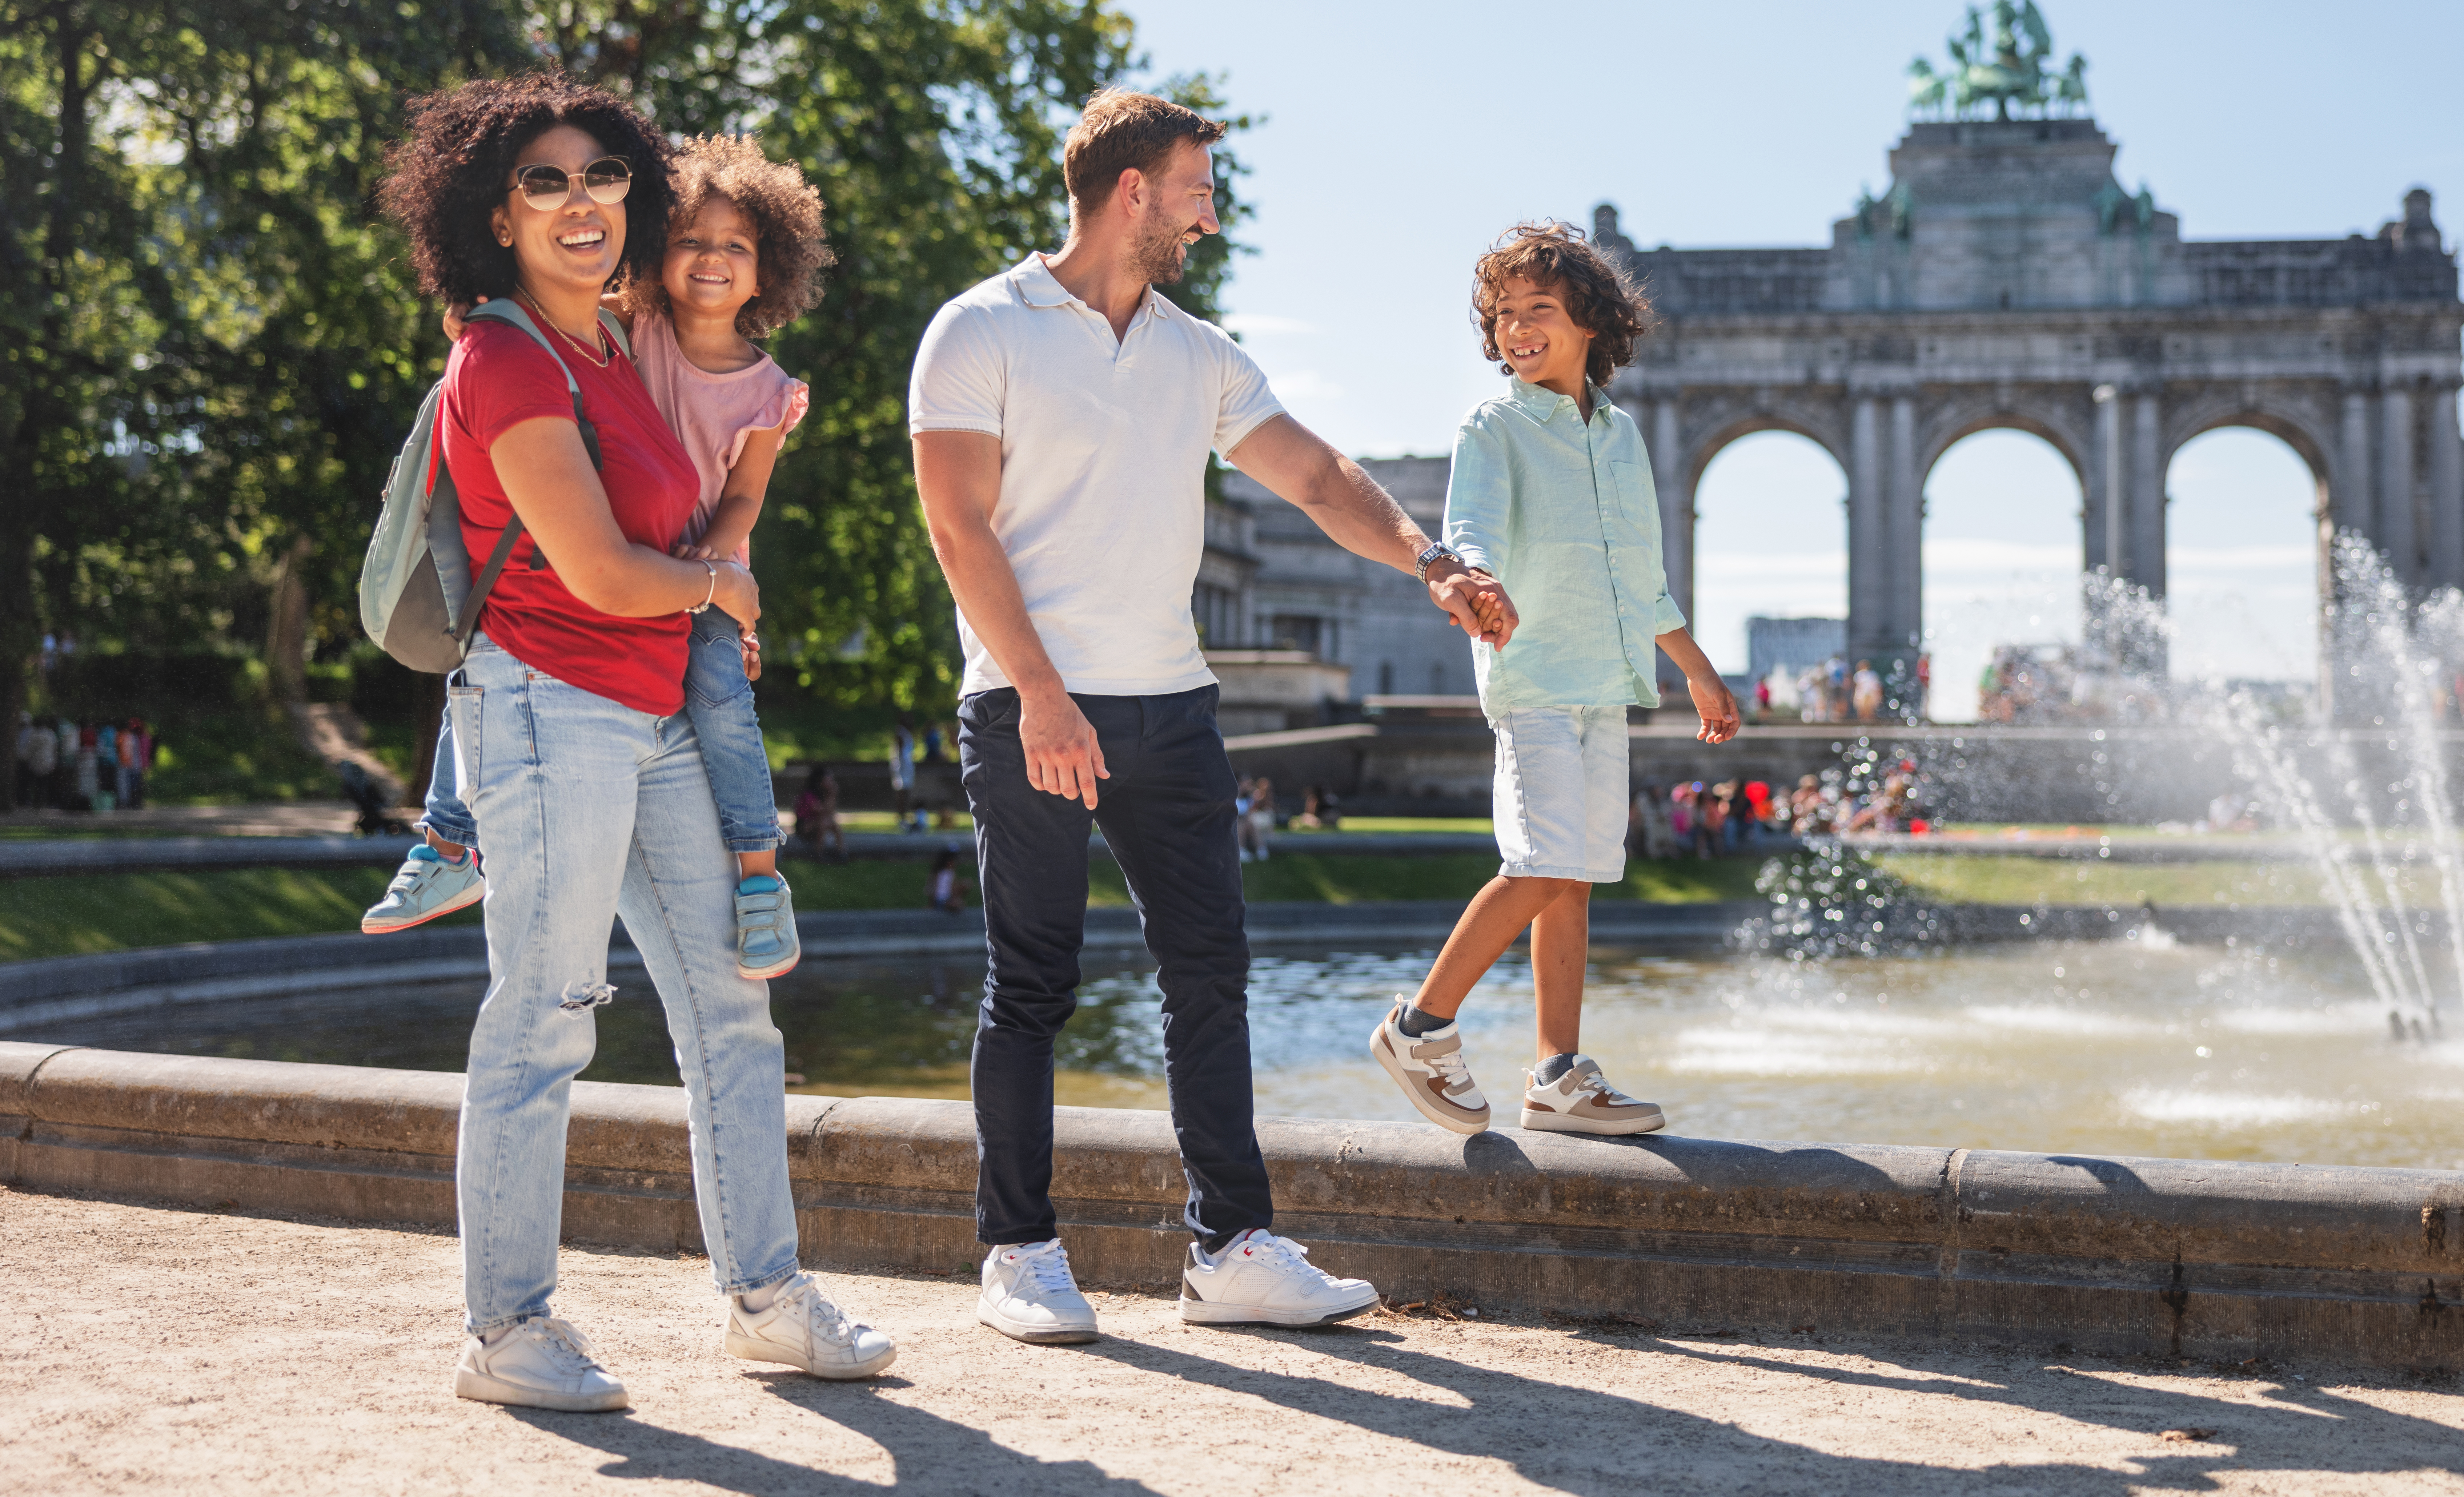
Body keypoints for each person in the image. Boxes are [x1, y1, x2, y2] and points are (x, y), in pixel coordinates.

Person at [908, 89, 1508, 1342]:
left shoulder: (1196, 352)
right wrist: (1039, 694)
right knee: (1032, 986)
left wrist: (1428, 557)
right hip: (1031, 711)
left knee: (1210, 977)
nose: (1208, 212)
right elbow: (957, 529)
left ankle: (1229, 1248)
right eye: (1197, 187)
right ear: (1132, 191)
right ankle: (1018, 1252)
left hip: (1171, 707)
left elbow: (1315, 475)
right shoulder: (978, 330)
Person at [378, 71, 889, 1413]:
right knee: (546, 1017)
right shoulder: (502, 356)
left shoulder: (620, 342)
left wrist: (716, 575)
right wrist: (722, 590)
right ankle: (507, 1330)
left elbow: (704, 488)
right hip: (548, 709)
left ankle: (767, 1300)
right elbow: (602, 570)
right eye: (542, 181)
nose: (579, 200)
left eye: (602, 174)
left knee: (734, 1009)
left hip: (659, 714)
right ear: (495, 216)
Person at [368, 134, 828, 986]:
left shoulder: (770, 390)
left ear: (768, 273)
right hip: (618, 566)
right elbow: (544, 326)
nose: (712, 259)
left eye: (736, 247)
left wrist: (717, 573)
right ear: (658, 251)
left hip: (700, 575)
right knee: (481, 661)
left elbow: (746, 497)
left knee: (725, 702)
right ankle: (444, 839)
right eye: (691, 240)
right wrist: (469, 309)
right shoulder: (625, 328)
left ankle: (761, 878)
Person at [1368, 221, 1738, 1142]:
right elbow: (1474, 526)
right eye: (1502, 315)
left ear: (1590, 320)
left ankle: (1558, 1075)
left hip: (1605, 683)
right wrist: (1478, 579)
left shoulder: (1621, 437)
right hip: (1531, 674)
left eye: (1539, 309)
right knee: (1539, 862)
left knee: (1574, 878)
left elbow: (1640, 575)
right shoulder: (1492, 425)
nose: (1517, 328)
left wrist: (1696, 670)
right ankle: (1420, 1026)